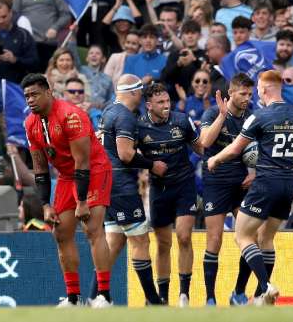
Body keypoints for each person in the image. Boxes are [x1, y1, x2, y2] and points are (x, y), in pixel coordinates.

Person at [207, 70, 293, 305]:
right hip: (288, 184)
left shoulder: (259, 116)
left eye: (258, 90)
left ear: (266, 89)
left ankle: (265, 286)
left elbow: (234, 150)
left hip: (265, 183)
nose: (256, 94)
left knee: (242, 235)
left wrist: (215, 159)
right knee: (266, 238)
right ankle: (260, 297)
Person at [22, 73, 113, 308]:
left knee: (92, 229)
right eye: (27, 96)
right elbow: (40, 167)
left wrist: (82, 201)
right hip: (65, 176)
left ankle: (104, 296)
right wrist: (45, 204)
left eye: (34, 94)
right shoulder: (30, 124)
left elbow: (82, 162)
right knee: (60, 233)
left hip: (93, 170)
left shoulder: (71, 116)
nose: (30, 100)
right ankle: (74, 299)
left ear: (49, 92)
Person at [96, 74, 166, 305]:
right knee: (140, 241)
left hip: (106, 182)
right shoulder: (125, 116)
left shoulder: (108, 111)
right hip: (121, 185)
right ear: (134, 92)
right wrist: (152, 165)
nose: (142, 95)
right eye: (141, 91)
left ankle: (96, 298)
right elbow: (125, 154)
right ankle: (153, 301)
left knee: (113, 244)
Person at [134, 82, 203, 306]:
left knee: (184, 236)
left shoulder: (182, 120)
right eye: (160, 102)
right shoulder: (138, 126)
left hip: (184, 185)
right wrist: (149, 165)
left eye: (168, 101)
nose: (166, 106)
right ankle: (163, 296)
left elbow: (200, 148)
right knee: (163, 244)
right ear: (149, 105)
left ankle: (184, 294)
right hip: (158, 189)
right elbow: (128, 153)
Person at [198, 73, 254, 306]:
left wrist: (255, 172)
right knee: (215, 238)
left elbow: (260, 150)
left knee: (251, 237)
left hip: (241, 184)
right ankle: (210, 298)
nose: (247, 98)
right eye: (243, 93)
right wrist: (222, 116)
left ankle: (238, 293)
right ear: (231, 92)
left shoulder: (252, 117)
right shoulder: (212, 113)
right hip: (216, 182)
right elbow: (205, 143)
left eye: (250, 94)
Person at [0, 0, 38, 84]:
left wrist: (15, 59)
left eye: (4, 17)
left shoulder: (23, 35)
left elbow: (34, 62)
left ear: (11, 13)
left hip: (17, 84)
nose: (1, 21)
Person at [80, 45, 114, 109]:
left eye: (98, 53)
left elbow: (111, 100)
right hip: (81, 108)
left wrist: (98, 106)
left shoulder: (107, 79)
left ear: (103, 59)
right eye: (91, 53)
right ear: (87, 58)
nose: (94, 55)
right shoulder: (80, 70)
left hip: (99, 112)